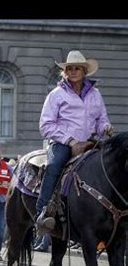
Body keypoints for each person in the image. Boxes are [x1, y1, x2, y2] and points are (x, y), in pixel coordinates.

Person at [36, 50, 114, 233]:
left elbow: (101, 119)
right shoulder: (56, 95)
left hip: (90, 142)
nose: (73, 71)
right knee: (54, 166)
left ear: (84, 71)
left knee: (111, 164)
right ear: (65, 72)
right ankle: (43, 212)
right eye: (69, 68)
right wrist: (70, 141)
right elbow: (45, 125)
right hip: (63, 143)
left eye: (77, 68)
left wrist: (106, 127)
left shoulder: (95, 94)